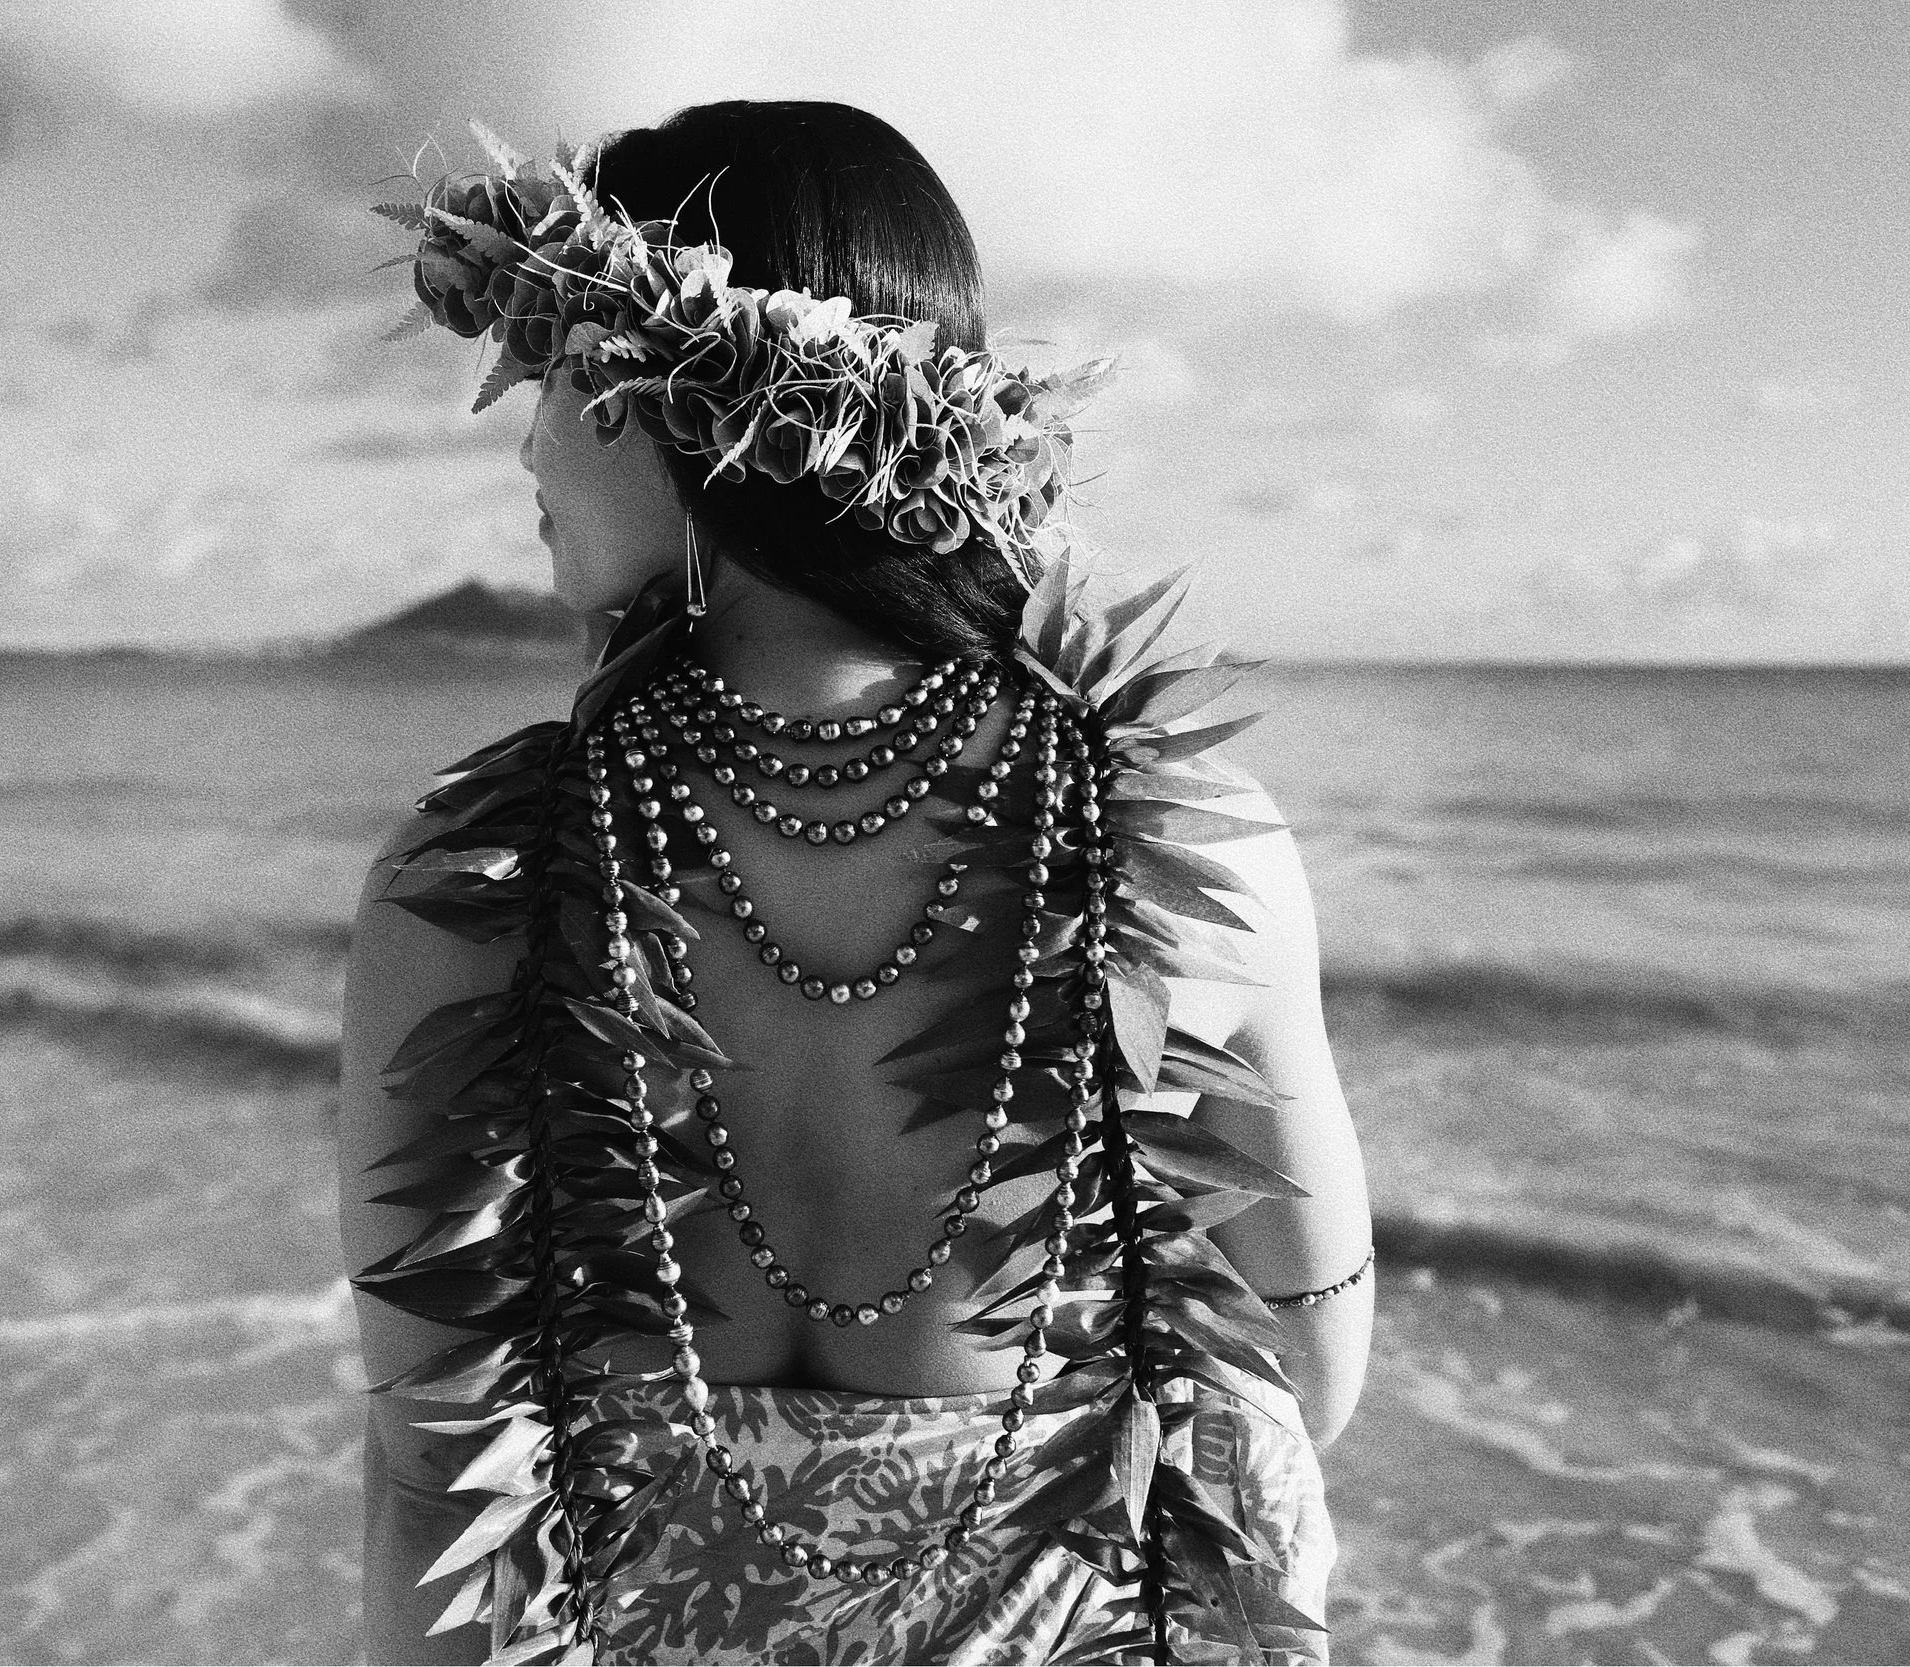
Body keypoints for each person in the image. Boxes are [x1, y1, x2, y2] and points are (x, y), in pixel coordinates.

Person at [337, 100, 1373, 1666]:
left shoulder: (475, 871)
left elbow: (432, 1461)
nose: (531, 439)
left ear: (677, 402)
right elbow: (1308, 1357)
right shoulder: (1179, 829)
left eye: (555, 373)